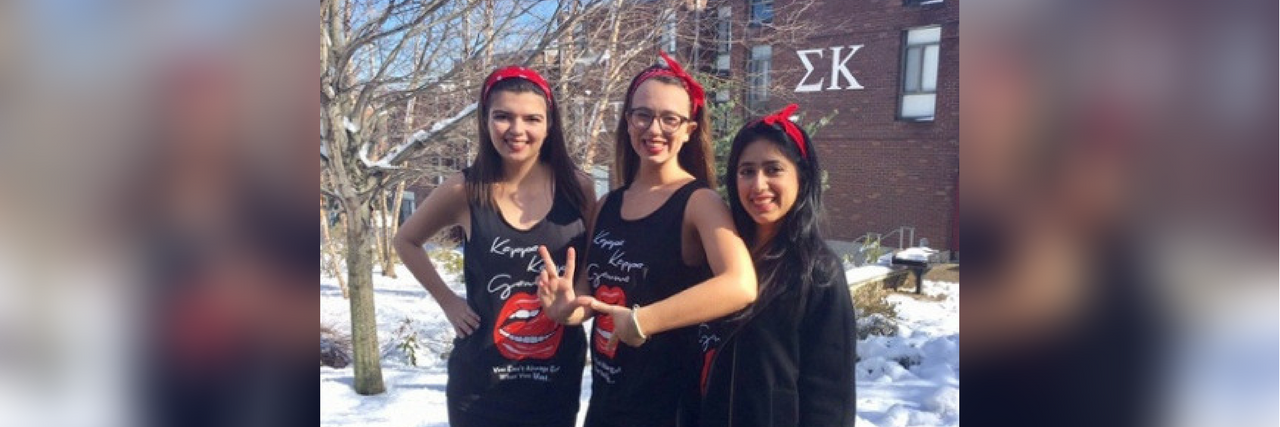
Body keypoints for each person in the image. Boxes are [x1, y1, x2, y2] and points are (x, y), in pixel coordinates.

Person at [537, 51, 757, 427]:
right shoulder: (607, 204)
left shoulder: (699, 202)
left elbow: (740, 285)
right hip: (607, 403)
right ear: (627, 121)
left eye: (670, 118)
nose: (655, 130)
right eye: (644, 115)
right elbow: (591, 295)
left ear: (689, 128)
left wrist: (644, 320)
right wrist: (567, 310)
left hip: (669, 408)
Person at [393, 66, 593, 427]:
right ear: (485, 120)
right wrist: (449, 302)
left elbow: (589, 273)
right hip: (480, 384)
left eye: (532, 118)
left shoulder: (577, 188)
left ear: (549, 125)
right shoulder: (466, 189)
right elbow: (406, 240)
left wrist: (573, 309)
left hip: (555, 378)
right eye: (503, 116)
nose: (517, 130)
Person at [695, 104, 856, 427]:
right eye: (747, 171)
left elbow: (830, 399)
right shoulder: (718, 257)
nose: (758, 185)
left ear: (802, 176)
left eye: (773, 169)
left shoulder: (819, 272)